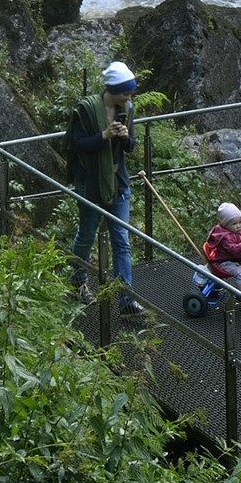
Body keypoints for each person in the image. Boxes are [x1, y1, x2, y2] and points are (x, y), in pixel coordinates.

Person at [66, 60, 145, 320]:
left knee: (121, 240)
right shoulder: (87, 110)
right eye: (125, 93)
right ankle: (78, 282)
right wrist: (104, 136)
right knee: (87, 233)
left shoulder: (127, 109)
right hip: (89, 182)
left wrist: (123, 137)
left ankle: (126, 299)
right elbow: (75, 145)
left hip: (117, 181)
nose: (129, 98)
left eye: (130, 94)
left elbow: (131, 146)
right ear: (112, 90)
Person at [202, 201, 241, 296]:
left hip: (232, 259)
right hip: (223, 262)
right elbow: (233, 249)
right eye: (234, 223)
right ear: (226, 225)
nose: (239, 225)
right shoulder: (225, 237)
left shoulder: (236, 230)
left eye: (240, 222)